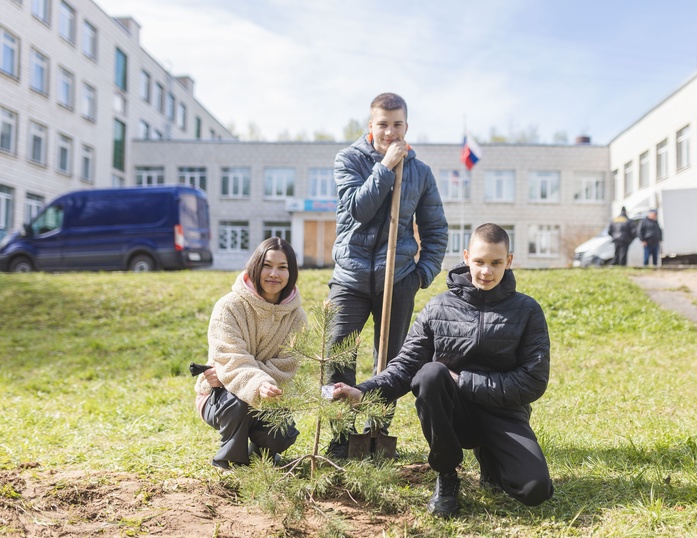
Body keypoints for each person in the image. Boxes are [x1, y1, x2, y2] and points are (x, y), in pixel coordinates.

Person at [333, 223, 553, 518]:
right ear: (466, 257)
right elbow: (406, 365)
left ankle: (491, 458)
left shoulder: (527, 310)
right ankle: (447, 475)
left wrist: (463, 381)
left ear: (509, 261)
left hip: (503, 412)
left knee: (535, 490)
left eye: (496, 263)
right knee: (430, 374)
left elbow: (533, 381)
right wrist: (363, 391)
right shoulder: (438, 308)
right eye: (479, 262)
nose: (486, 271)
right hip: (452, 415)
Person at [326, 92, 448, 457]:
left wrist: (422, 274)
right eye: (383, 125)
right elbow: (360, 210)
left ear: (406, 126)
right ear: (371, 126)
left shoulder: (420, 173)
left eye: (397, 125)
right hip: (350, 276)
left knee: (392, 358)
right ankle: (341, 437)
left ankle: (378, 433)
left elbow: (436, 229)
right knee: (338, 356)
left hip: (398, 278)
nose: (390, 133)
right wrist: (384, 169)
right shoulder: (348, 160)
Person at [194, 237, 307, 470]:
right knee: (240, 400)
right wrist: (254, 382)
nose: (274, 273)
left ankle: (262, 455)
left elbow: (288, 365)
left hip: (272, 395)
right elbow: (230, 358)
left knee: (283, 433)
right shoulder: (229, 307)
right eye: (267, 265)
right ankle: (230, 460)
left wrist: (258, 381)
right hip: (219, 397)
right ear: (255, 266)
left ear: (291, 272)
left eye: (282, 267)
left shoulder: (297, 317)